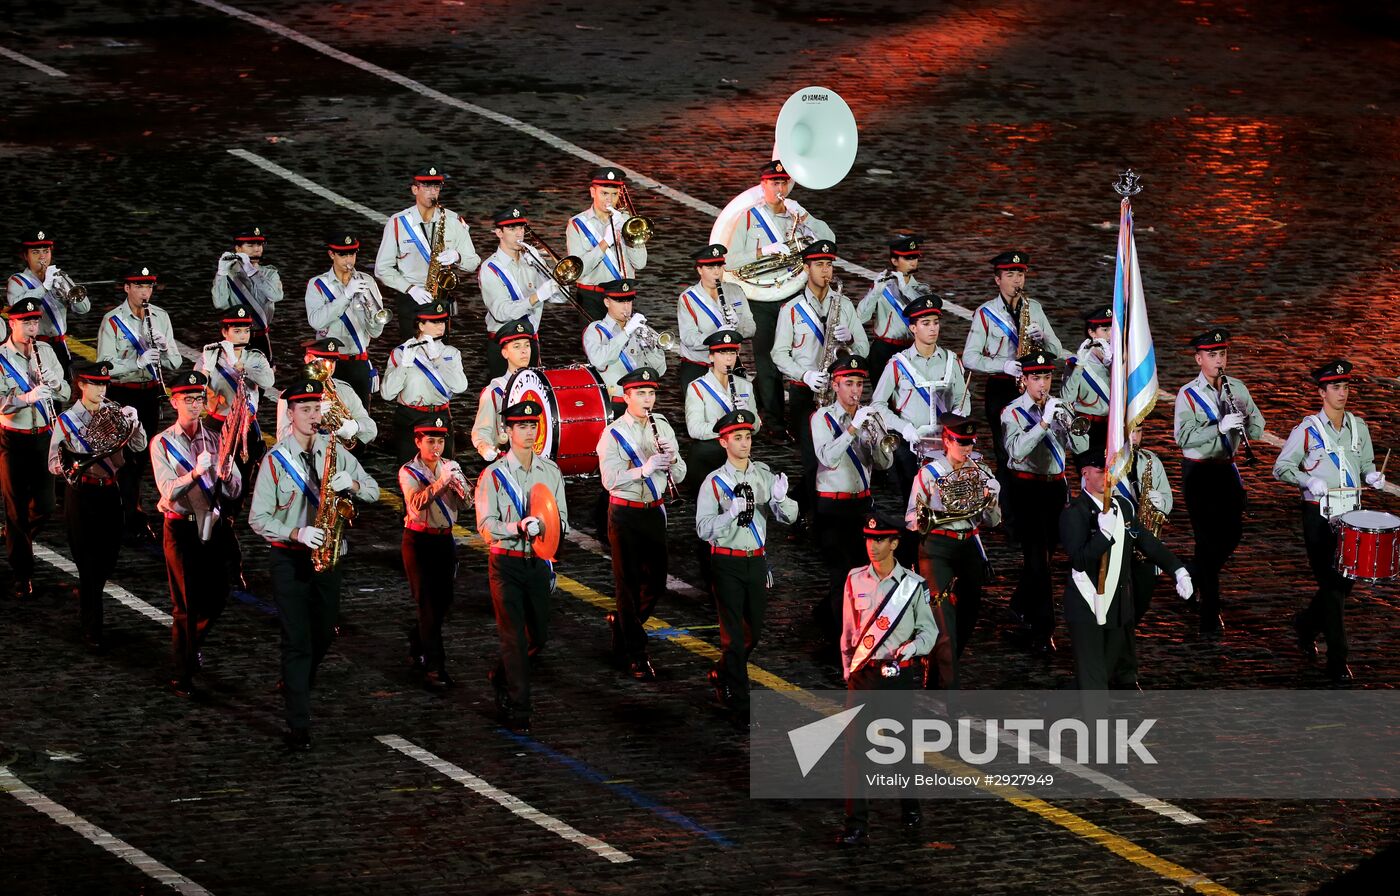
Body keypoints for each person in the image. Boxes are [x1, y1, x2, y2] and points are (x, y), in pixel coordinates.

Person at [249, 377, 380, 751]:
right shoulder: (276, 460)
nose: (312, 416)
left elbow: (371, 488)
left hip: (329, 556)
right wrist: (295, 534)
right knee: (297, 640)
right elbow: (258, 518)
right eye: (304, 409)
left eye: (316, 409)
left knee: (323, 631)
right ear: (290, 414)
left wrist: (350, 486)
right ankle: (298, 723)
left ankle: (298, 681)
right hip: (290, 559)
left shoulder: (334, 451)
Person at [1272, 359, 1384, 683]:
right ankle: (1338, 660)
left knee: (1344, 584)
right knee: (1333, 588)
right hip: (1319, 516)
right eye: (1335, 387)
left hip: (1351, 515)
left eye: (1346, 387)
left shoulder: (1358, 426)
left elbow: (1366, 462)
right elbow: (1281, 467)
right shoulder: (1307, 430)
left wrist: (1371, 475)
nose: (1342, 393)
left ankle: (1306, 625)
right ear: (1322, 392)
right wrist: (1307, 481)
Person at [837, 511, 936, 848]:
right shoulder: (854, 579)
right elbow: (848, 631)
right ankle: (856, 824)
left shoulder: (913, 586)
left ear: (894, 543)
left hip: (896, 676)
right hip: (864, 676)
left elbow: (929, 632)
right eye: (869, 538)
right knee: (855, 750)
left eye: (880, 539)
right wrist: (848, 668)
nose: (873, 545)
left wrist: (910, 649)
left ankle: (910, 805)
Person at [1060, 449, 1191, 693]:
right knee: (1095, 681)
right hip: (1087, 605)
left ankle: (1053, 708)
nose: (1107, 477)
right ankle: (1096, 730)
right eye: (1101, 471)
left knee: (1103, 672)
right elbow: (1079, 560)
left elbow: (1147, 541)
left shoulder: (1123, 507)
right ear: (1085, 474)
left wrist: (1178, 569)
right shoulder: (1074, 513)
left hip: (1117, 607)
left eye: (1111, 471)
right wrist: (1104, 536)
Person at [694, 409, 796, 715]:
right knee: (734, 638)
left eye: (748, 437)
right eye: (737, 438)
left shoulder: (763, 475)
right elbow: (702, 529)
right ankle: (740, 702)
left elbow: (789, 517)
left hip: (755, 562)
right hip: (726, 562)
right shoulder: (714, 483)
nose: (744, 443)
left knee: (755, 631)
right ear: (724, 442)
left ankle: (723, 671)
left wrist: (780, 498)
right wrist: (728, 515)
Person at [476, 400, 569, 731]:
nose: (529, 433)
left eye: (533, 426)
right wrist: (516, 528)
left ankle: (502, 673)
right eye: (522, 427)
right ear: (508, 432)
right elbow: (486, 525)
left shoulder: (551, 471)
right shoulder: (494, 476)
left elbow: (563, 522)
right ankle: (520, 707)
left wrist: (547, 530)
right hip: (506, 563)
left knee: (538, 636)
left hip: (537, 563)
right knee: (513, 637)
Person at [729, 161, 836, 438]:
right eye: (774, 183)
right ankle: (775, 424)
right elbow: (729, 259)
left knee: (802, 353)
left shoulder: (797, 216)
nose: (779, 188)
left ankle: (806, 417)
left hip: (792, 296)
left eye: (783, 183)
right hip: (761, 300)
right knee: (767, 363)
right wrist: (764, 251)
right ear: (763, 185)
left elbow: (830, 240)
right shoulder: (750, 218)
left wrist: (807, 218)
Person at [151, 371, 241, 699]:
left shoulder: (216, 439)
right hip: (181, 527)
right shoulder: (162, 443)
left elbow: (235, 489)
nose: (194, 405)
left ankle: (193, 644)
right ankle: (183, 672)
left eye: (199, 399)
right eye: (187, 399)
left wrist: (227, 474)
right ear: (174, 402)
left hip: (211, 525)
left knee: (218, 595)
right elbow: (167, 490)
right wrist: (195, 472)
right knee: (186, 602)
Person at [1172, 327, 1264, 637]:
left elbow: (1259, 428)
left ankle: (1193, 574)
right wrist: (1219, 427)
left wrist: (1246, 421)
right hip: (1199, 472)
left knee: (1232, 534)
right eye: (1212, 355)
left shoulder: (1236, 387)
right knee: (1207, 540)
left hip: (1227, 469)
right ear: (1199, 358)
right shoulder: (1188, 394)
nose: (1218, 359)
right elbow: (1182, 437)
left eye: (1222, 354)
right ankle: (1210, 615)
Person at [48, 361, 145, 649]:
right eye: (95, 384)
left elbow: (139, 447)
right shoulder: (66, 421)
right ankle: (92, 626)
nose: (101, 389)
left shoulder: (116, 416)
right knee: (87, 563)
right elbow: (54, 463)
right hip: (80, 495)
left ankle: (91, 596)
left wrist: (135, 423)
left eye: (104, 384)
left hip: (109, 493)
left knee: (108, 558)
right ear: (81, 385)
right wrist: (79, 458)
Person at [597, 366, 686, 680]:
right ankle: (637, 654)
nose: (648, 399)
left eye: (651, 393)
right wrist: (644, 470)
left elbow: (682, 473)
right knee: (628, 584)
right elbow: (609, 480)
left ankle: (624, 623)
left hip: (654, 510)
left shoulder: (660, 424)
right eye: (641, 394)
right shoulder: (613, 434)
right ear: (626, 397)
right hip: (625, 514)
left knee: (657, 583)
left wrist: (673, 459)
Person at [772, 241, 867, 519]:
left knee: (840, 456)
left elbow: (864, 349)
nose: (826, 271)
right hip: (806, 393)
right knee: (813, 460)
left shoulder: (844, 305)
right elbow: (778, 353)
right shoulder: (791, 309)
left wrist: (850, 339)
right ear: (806, 268)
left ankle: (813, 510)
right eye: (819, 265)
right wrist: (805, 374)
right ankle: (809, 514)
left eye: (829, 264)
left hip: (839, 395)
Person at [904, 415, 1000, 688]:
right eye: (961, 442)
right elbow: (911, 518)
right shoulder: (929, 474)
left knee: (968, 619)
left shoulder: (981, 472)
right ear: (946, 441)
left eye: (970, 442)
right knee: (945, 625)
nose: (967, 448)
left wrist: (992, 498)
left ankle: (936, 673)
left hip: (968, 546)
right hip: (937, 548)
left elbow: (993, 521)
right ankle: (948, 697)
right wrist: (938, 511)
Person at [810, 355, 894, 639]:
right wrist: (853, 429)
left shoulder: (869, 416)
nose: (856, 391)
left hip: (862, 505)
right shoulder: (822, 418)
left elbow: (884, 465)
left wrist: (880, 444)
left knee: (864, 572)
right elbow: (827, 457)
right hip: (832, 508)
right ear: (835, 385)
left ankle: (851, 626)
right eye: (849, 384)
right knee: (841, 576)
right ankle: (840, 639)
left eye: (859, 384)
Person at [961, 252, 1063, 481]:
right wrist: (1003, 365)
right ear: (998, 279)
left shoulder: (1034, 308)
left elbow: (1056, 350)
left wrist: (1044, 336)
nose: (1017, 280)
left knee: (1035, 443)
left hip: (1032, 388)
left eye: (1020, 274)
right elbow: (969, 358)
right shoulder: (986, 313)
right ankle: (1007, 498)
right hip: (1001, 387)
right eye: (1010, 274)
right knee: (1004, 450)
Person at [97, 266, 183, 539]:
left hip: (149, 392)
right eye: (138, 287)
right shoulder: (112, 321)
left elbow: (176, 362)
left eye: (148, 287)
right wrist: (136, 361)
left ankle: (127, 508)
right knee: (125, 458)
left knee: (143, 454)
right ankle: (129, 514)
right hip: (122, 394)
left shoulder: (160, 317)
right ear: (127, 288)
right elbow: (104, 366)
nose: (145, 293)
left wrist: (166, 348)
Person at [195, 306, 275, 589]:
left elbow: (268, 382)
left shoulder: (255, 357)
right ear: (224, 332)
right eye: (236, 330)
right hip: (217, 429)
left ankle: (224, 554)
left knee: (235, 498)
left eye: (246, 330)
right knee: (210, 495)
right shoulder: (212, 356)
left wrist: (242, 366)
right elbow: (199, 392)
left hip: (244, 432)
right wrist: (207, 366)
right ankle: (221, 558)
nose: (242, 335)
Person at [1000, 350, 1070, 654]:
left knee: (1045, 558)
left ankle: (1019, 605)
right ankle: (1044, 631)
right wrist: (1042, 424)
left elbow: (1079, 444)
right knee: (1040, 564)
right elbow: (1016, 451)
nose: (1043, 384)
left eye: (1047, 377)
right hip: (1026, 491)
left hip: (1055, 489)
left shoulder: (1059, 407)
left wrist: (1065, 422)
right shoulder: (1012, 412)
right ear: (1024, 380)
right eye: (1037, 378)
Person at [0, 297, 70, 597]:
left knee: (45, 504)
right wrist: (24, 398)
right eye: (25, 322)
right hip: (12, 438)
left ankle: (17, 536)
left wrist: (55, 383)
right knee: (15, 507)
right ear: (11, 323)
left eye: (34, 322)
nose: (32, 327)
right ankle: (22, 573)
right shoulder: (1, 358)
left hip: (44, 435)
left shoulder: (45, 351)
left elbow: (67, 392)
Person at [870, 292, 969, 501]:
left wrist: (961, 414)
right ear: (913, 328)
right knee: (914, 505)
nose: (933, 328)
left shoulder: (951, 360)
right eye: (926, 323)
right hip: (911, 446)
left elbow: (963, 396)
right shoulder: (898, 364)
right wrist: (902, 427)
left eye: (935, 322)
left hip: (947, 445)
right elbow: (877, 404)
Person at [399, 415, 470, 691]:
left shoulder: (450, 467)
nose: (437, 447)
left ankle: (418, 640)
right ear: (418, 442)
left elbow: (466, 503)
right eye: (431, 441)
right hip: (418, 541)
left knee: (443, 602)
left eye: (440, 441)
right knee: (427, 603)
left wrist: (462, 488)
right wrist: (441, 482)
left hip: (445, 540)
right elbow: (416, 505)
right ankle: (435, 667)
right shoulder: (409, 472)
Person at [375, 165, 481, 341]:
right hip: (411, 299)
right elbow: (382, 268)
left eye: (436, 187)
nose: (433, 192)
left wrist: (458, 256)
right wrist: (410, 289)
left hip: (441, 298)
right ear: (415, 189)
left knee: (441, 354)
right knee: (411, 353)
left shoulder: (453, 220)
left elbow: (473, 261)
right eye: (427, 187)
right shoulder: (398, 222)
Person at [1111, 427, 1173, 689]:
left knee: (1140, 606)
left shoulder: (1151, 461)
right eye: (1128, 431)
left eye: (1137, 431)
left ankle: (1114, 652)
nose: (1133, 438)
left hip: (1147, 548)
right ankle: (1124, 672)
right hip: (1117, 547)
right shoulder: (1106, 462)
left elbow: (1168, 500)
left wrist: (1160, 503)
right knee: (1122, 613)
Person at [381, 300, 468, 465]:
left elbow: (460, 386)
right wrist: (404, 365)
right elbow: (387, 394)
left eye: (442, 321)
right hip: (411, 417)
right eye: (434, 321)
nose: (440, 325)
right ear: (420, 325)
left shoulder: (451, 353)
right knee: (410, 471)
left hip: (440, 417)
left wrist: (438, 360)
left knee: (445, 473)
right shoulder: (401, 352)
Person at [305, 232, 387, 407]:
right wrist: (346, 295)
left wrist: (370, 313)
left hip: (358, 362)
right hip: (328, 364)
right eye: (342, 254)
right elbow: (316, 321)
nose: (348, 259)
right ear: (331, 254)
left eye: (352, 254)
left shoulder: (367, 281)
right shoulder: (318, 284)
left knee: (361, 420)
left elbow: (376, 332)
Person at [477, 206, 559, 377]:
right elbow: (501, 312)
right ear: (499, 232)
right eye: (511, 228)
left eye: (521, 228)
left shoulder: (531, 260)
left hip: (530, 343)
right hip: (503, 345)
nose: (519, 234)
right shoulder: (490, 268)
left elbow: (560, 297)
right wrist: (536, 297)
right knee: (505, 399)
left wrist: (543, 268)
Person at [565, 167, 649, 320]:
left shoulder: (627, 221)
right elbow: (579, 270)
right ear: (592, 192)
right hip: (591, 297)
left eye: (614, 194)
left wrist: (627, 237)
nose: (609, 200)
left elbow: (640, 263)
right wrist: (606, 242)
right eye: (604, 193)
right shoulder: (577, 224)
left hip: (622, 295)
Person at [9, 227, 90, 376]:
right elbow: (17, 307)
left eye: (46, 251)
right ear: (25, 256)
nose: (42, 257)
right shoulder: (17, 281)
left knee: (64, 390)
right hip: (32, 346)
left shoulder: (59, 276)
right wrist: (45, 287)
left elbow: (84, 309)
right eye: (35, 252)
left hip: (59, 346)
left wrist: (66, 286)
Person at [675, 243, 755, 394]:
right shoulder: (688, 298)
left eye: (719, 267)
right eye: (710, 268)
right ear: (699, 270)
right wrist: (717, 337)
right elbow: (688, 338)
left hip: (729, 364)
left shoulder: (736, 291)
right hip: (698, 364)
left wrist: (737, 329)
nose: (716, 273)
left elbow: (751, 328)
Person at [273, 338, 376, 446]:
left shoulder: (346, 391)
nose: (329, 367)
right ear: (308, 359)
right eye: (324, 361)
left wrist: (356, 426)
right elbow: (282, 439)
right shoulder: (289, 395)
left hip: (339, 457)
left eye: (333, 361)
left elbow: (372, 429)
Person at [582, 279, 666, 405]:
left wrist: (652, 349)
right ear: (607, 302)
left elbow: (660, 371)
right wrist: (626, 333)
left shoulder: (640, 329)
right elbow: (598, 361)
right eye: (620, 301)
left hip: (640, 402)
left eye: (629, 300)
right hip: (612, 402)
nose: (626, 307)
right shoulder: (595, 330)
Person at [855, 235, 923, 383]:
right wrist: (875, 293)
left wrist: (905, 289)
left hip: (912, 349)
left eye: (915, 257)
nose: (913, 262)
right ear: (894, 261)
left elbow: (922, 310)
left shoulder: (921, 290)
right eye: (908, 258)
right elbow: (860, 317)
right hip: (883, 350)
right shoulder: (881, 287)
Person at [211, 225, 282, 359]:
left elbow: (276, 295)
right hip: (233, 337)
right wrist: (221, 274)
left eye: (260, 244)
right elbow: (220, 304)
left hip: (260, 337)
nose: (256, 249)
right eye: (250, 245)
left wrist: (252, 272)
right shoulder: (228, 273)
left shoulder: (270, 273)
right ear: (238, 249)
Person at [472, 317, 536, 462]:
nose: (524, 351)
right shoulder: (494, 392)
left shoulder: (539, 386)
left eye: (527, 345)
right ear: (505, 353)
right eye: (517, 346)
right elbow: (481, 431)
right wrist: (484, 447)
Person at [1059, 306, 1113, 454]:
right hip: (1087, 427)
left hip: (1113, 426)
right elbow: (1067, 398)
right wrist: (1080, 366)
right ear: (1091, 332)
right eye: (1105, 330)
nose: (1110, 335)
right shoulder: (1076, 363)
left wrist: (1113, 365)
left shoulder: (1120, 363)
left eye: (1112, 329)